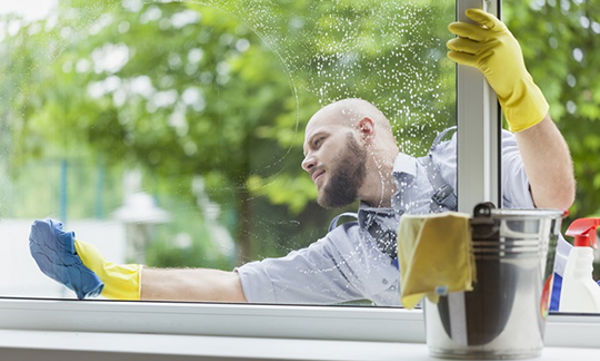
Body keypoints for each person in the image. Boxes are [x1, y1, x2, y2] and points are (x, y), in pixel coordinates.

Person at [29, 9, 575, 306]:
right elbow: (236, 288)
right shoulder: (350, 252)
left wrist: (519, 93)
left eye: (318, 143)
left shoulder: (464, 159)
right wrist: (116, 279)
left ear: (365, 130)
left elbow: (554, 196)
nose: (305, 161)